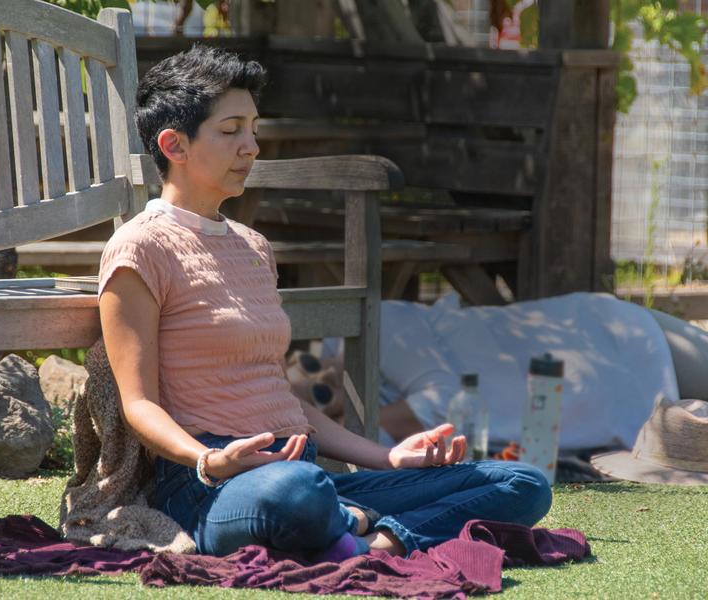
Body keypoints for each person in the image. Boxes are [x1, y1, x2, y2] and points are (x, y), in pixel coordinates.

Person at [97, 45, 552, 561]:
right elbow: (139, 404)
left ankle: (377, 539)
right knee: (291, 493)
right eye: (231, 131)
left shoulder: (253, 247)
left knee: (522, 481)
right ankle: (352, 526)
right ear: (173, 145)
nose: (251, 147)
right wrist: (209, 459)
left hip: (310, 474)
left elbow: (286, 402)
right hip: (217, 489)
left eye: (253, 129)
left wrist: (389, 457)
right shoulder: (139, 248)